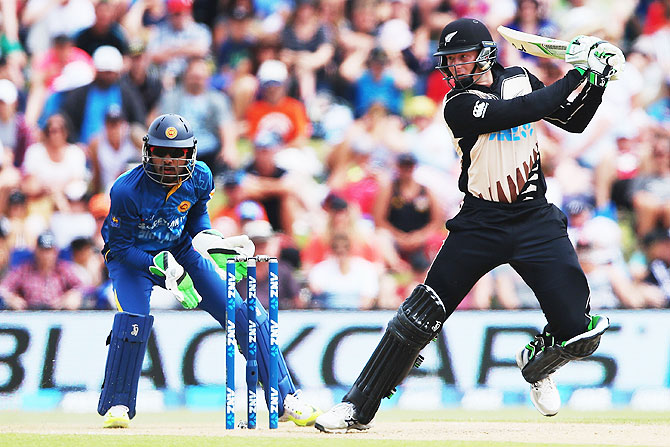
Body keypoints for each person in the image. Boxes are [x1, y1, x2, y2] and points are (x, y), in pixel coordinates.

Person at [315, 18, 617, 432]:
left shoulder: (520, 78)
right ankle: (356, 408)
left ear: (486, 54)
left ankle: (537, 363)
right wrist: (581, 71)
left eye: (462, 57)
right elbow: (523, 110)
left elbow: (573, 120)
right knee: (420, 315)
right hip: (481, 222)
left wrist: (598, 81)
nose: (455, 66)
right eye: (450, 60)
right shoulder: (457, 104)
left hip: (535, 219)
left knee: (580, 333)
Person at [97, 113, 320, 428]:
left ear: (191, 153)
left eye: (177, 154)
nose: (169, 162)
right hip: (134, 261)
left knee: (244, 314)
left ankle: (283, 399)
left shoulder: (200, 176)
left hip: (181, 252)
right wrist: (156, 266)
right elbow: (118, 248)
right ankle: (118, 404)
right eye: (162, 152)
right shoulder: (126, 190)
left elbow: (198, 220)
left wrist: (211, 242)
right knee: (133, 322)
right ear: (148, 150)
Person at [0, 230, 83, 310]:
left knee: (74, 303)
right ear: (36, 251)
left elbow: (83, 287)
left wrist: (71, 295)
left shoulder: (63, 269)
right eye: (42, 250)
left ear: (55, 252)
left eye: (49, 250)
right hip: (30, 314)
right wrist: (11, 298)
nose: (46, 255)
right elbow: (3, 288)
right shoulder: (24, 270)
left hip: (57, 313)